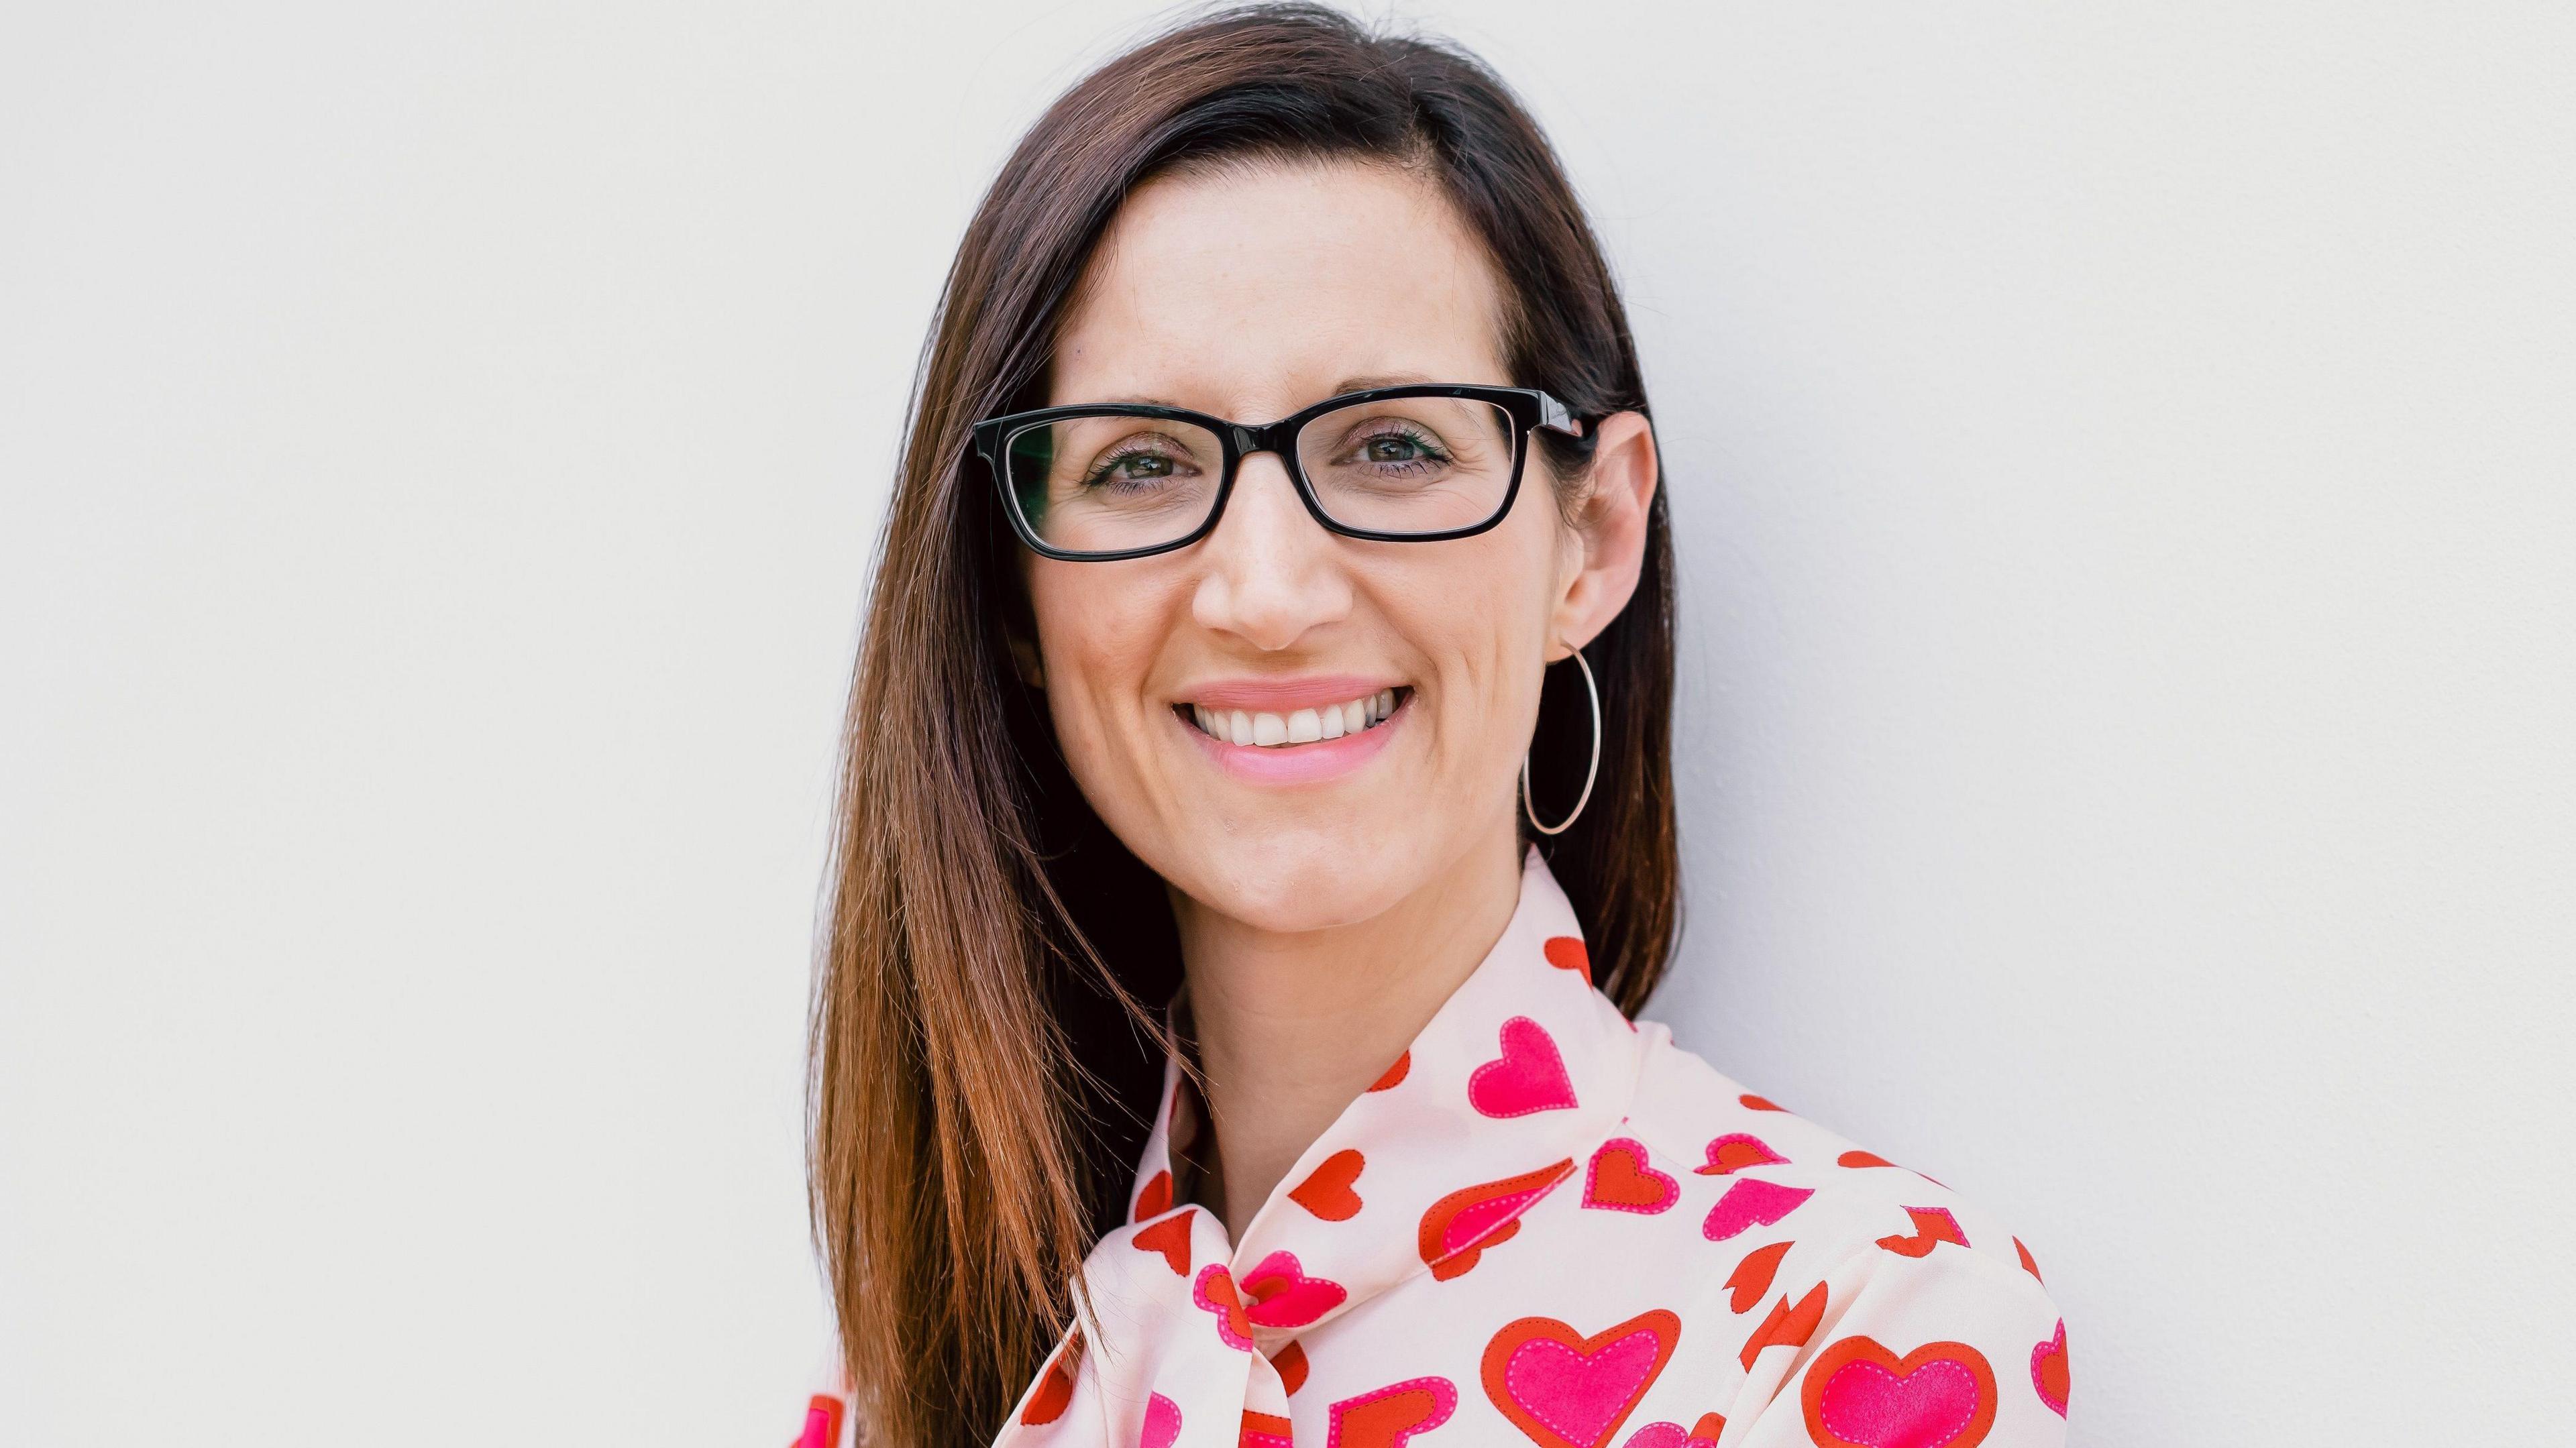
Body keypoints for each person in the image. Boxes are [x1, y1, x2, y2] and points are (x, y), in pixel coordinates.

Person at [792, 5, 2071, 1445]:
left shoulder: (1851, 1321)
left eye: (1393, 446)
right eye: (1142, 463)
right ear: (1015, 596)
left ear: (1590, 536)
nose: (1267, 594)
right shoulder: (929, 1369)